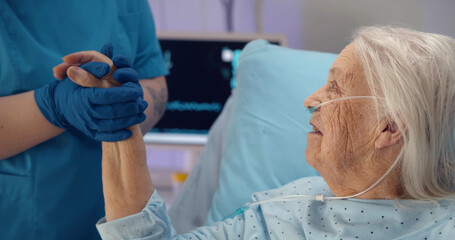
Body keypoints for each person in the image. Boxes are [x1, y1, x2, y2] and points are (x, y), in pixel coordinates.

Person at [86, 26, 455, 239]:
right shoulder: (283, 208)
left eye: (336, 88)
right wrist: (120, 128)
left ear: (389, 127)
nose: (312, 100)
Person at [0, 0, 168, 239]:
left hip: (115, 217)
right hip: (20, 219)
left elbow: (155, 83)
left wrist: (123, 104)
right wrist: (51, 106)